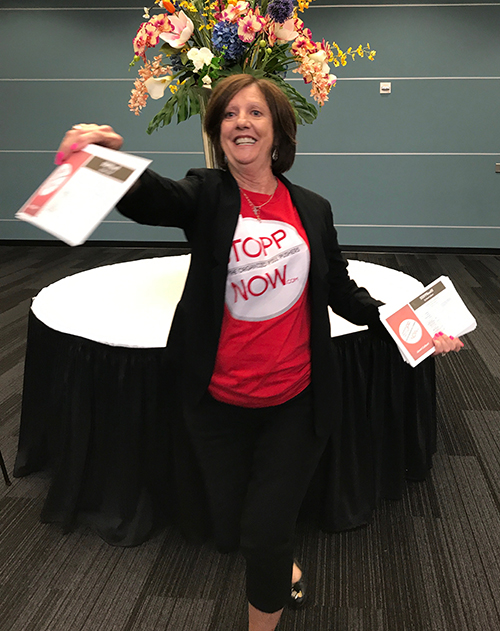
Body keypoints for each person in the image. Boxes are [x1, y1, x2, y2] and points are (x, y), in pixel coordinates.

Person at [55, 74, 463, 631]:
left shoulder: (312, 208)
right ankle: (279, 562)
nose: (240, 121)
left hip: (296, 398)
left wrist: (413, 326)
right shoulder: (209, 194)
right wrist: (101, 161)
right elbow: (154, 199)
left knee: (264, 530)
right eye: (228, 114)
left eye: (255, 113)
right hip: (218, 401)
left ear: (278, 131)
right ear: (218, 132)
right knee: (238, 522)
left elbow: (341, 290)